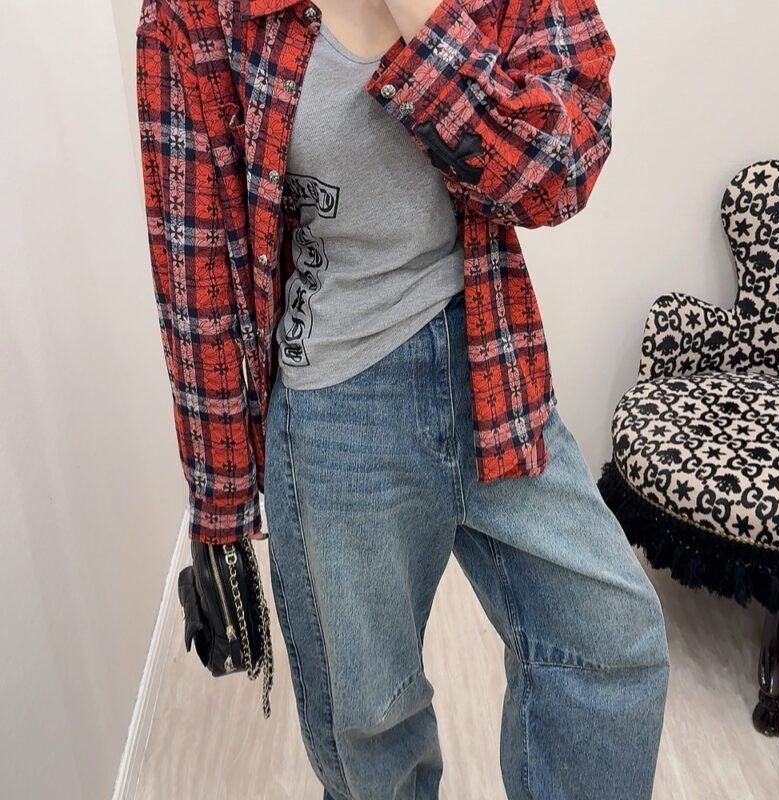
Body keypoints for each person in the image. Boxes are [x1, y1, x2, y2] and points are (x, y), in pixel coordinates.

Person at [135, 0, 670, 798]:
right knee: (373, 727)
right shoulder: (196, 16)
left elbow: (557, 174)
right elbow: (197, 275)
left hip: (490, 362)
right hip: (337, 404)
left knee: (612, 642)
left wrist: (418, 14)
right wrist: (221, 512)